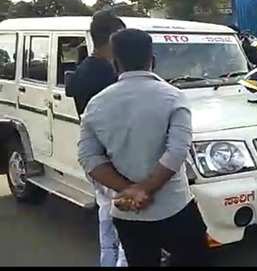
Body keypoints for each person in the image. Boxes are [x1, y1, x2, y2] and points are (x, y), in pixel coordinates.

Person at [77, 29, 209, 266]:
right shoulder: (173, 97)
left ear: (115, 63)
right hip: (174, 207)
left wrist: (130, 190)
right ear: (153, 60)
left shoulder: (96, 104)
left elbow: (88, 157)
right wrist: (146, 189)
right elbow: (177, 151)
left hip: (127, 211)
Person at [65, 13, 127, 267]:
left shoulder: (82, 71)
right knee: (125, 226)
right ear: (113, 39)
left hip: (94, 156)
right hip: (113, 155)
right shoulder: (109, 75)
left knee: (106, 216)